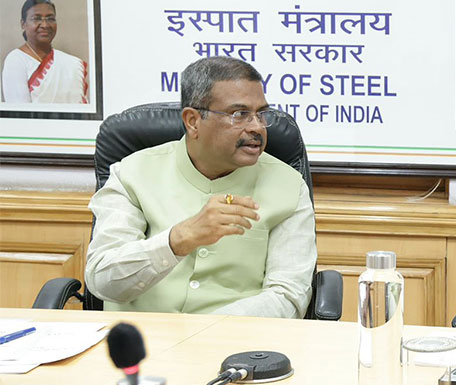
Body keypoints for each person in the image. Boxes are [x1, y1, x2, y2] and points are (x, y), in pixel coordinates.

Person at [84, 57, 316, 317]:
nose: (257, 127)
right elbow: (103, 280)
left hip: (235, 346)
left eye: (262, 113)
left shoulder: (288, 185)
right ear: (193, 121)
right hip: (138, 345)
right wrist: (178, 240)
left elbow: (288, 296)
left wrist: (200, 333)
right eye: (240, 115)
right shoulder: (131, 174)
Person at [2, 0, 88, 105]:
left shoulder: (73, 64)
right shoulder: (16, 60)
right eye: (36, 18)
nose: (45, 25)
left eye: (50, 18)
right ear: (23, 24)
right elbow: (21, 112)